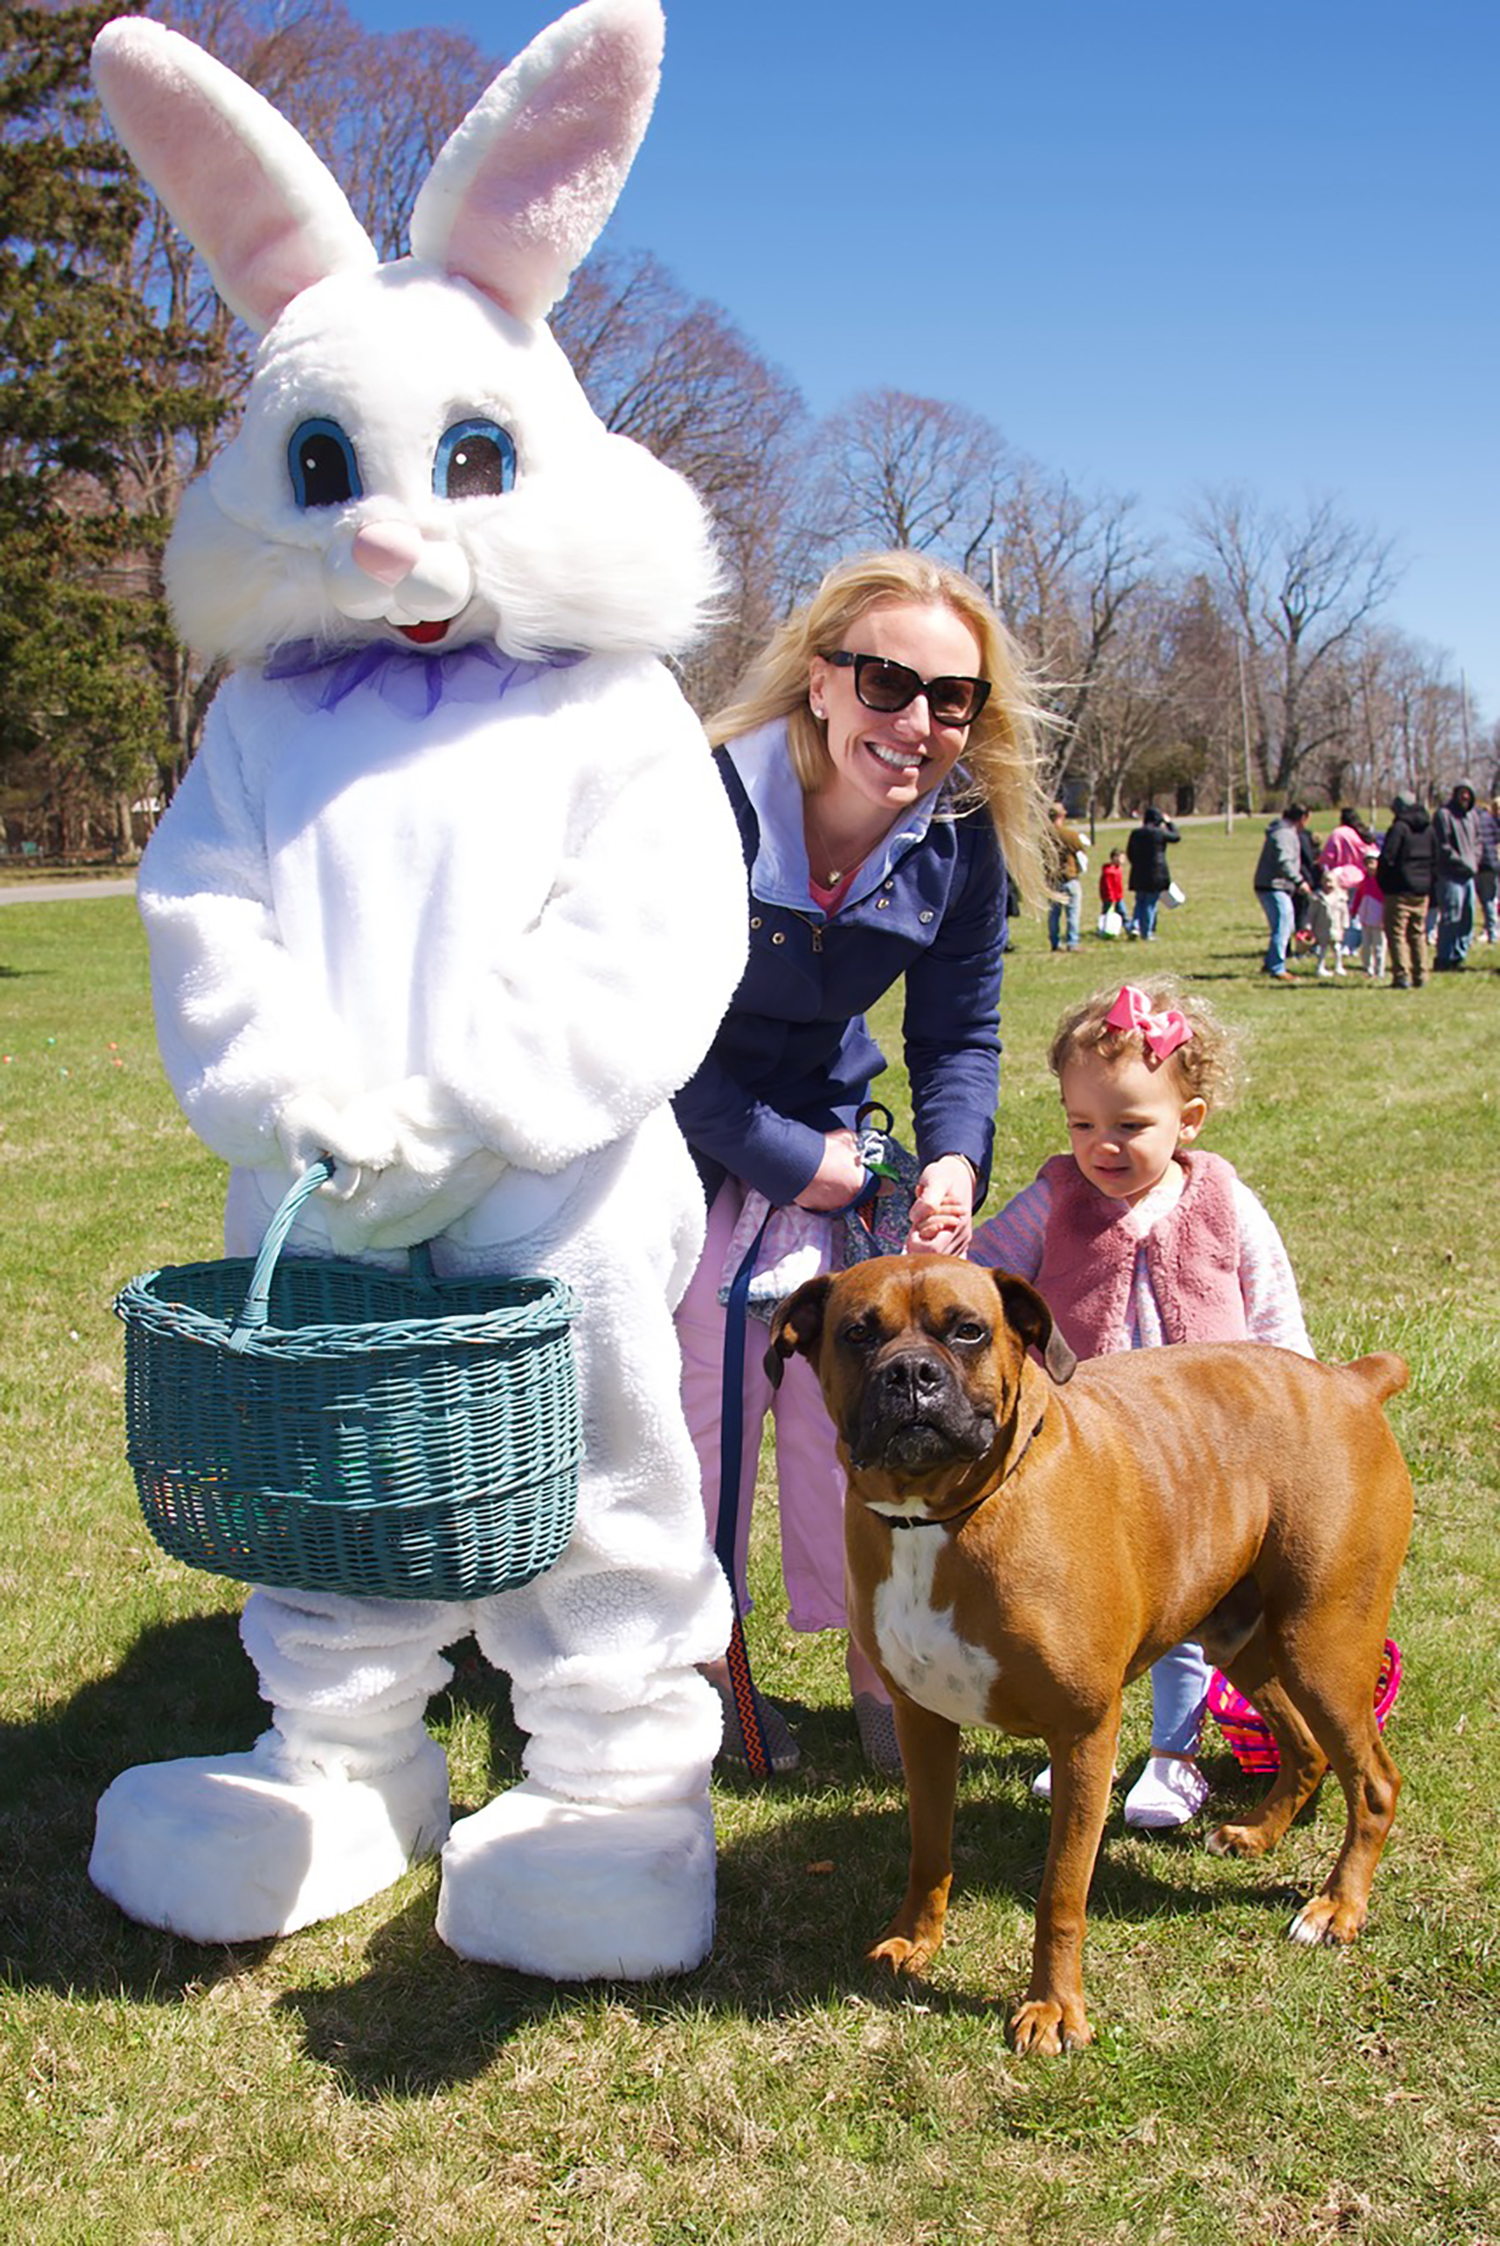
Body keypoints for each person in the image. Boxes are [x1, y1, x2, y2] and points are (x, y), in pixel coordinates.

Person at [672, 550, 1048, 1774]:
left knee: (859, 1404)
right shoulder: (697, 804)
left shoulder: (957, 838)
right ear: (819, 681)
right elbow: (636, 1030)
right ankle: (694, 1674)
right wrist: (788, 1159)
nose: (922, 723)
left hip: (839, 1148)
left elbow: (960, 1032)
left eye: (956, 699)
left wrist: (949, 1155)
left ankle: (888, 1670)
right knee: (697, 1412)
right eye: (889, 682)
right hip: (671, 1145)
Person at [968, 977, 1313, 1829]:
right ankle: (1084, 1736)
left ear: (1188, 1119)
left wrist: (1299, 1411)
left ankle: (1175, 1753)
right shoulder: (1054, 1198)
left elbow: (1273, 1311)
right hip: (1086, 1448)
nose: (1102, 1147)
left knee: (1192, 1605)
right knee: (1087, 1600)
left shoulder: (1222, 1200)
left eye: (1130, 1126)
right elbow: (978, 1277)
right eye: (1083, 1124)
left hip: (1204, 1450)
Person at [1376, 795, 1435, 989]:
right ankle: (1421, 975)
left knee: (1396, 933)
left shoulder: (1399, 828)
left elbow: (1388, 858)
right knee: (1418, 933)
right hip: (1422, 888)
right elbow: (1436, 857)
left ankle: (1401, 975)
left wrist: (1383, 882)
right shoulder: (1428, 828)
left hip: (1399, 889)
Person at [1252, 802, 1311, 980]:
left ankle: (1271, 962)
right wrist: (1299, 881)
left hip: (1275, 886)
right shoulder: (1284, 834)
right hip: (1273, 886)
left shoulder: (1283, 831)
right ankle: (1277, 967)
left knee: (1283, 925)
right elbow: (1284, 861)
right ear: (1302, 818)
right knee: (1283, 926)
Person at [1431, 781, 1481, 970]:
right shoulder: (1443, 815)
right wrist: (1462, 863)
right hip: (1450, 875)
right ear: (1455, 794)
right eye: (1461, 793)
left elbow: (1478, 842)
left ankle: (1459, 955)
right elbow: (1443, 846)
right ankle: (1444, 957)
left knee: (1468, 916)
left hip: (1469, 875)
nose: (1465, 797)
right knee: (1451, 916)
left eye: (1468, 793)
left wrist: (1474, 861)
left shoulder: (1473, 816)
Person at [1124, 804, 1180, 940]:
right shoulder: (1159, 833)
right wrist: (1169, 823)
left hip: (1138, 872)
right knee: (1150, 903)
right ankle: (1147, 932)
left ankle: (1135, 926)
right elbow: (1176, 837)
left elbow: (1129, 852)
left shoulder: (1136, 833)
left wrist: (1136, 864)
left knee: (1140, 901)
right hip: (1156, 872)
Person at [1047, 800, 1089, 953]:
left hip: (1052, 880)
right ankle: (1072, 942)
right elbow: (1081, 850)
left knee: (1053, 915)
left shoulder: (1044, 836)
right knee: (1072, 913)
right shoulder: (1070, 835)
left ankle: (1054, 942)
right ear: (1061, 816)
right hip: (1070, 878)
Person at [1351, 845, 1387, 978]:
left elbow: (1385, 901)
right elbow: (1359, 896)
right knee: (1366, 947)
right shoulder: (1364, 881)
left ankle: (1380, 970)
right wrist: (1354, 911)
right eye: (1367, 863)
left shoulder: (1383, 881)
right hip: (1365, 919)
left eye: (1372, 863)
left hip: (1379, 920)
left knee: (1379, 946)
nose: (1369, 866)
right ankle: (1368, 969)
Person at [1309, 867, 1351, 978]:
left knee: (1337, 948)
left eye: (1331, 881)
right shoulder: (1318, 898)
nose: (1328, 884)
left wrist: (1345, 924)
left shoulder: (1341, 898)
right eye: (1326, 881)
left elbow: (1344, 912)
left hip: (1336, 927)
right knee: (1322, 948)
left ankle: (1338, 966)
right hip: (1321, 928)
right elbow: (1312, 913)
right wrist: (1308, 925)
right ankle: (1320, 967)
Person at [1476, 795, 1500, 945]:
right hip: (1492, 864)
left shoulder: (1484, 821)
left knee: (1489, 899)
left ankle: (1492, 931)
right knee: (1490, 899)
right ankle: (1491, 929)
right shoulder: (1491, 822)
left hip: (1488, 865)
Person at [1098, 846, 1126, 934]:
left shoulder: (1118, 869)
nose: (1123, 860)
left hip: (1118, 896)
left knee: (1121, 912)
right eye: (1121, 858)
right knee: (1107, 914)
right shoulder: (1109, 872)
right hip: (1110, 898)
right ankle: (1103, 928)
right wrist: (1111, 897)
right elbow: (1108, 886)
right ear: (1114, 858)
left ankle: (1129, 928)